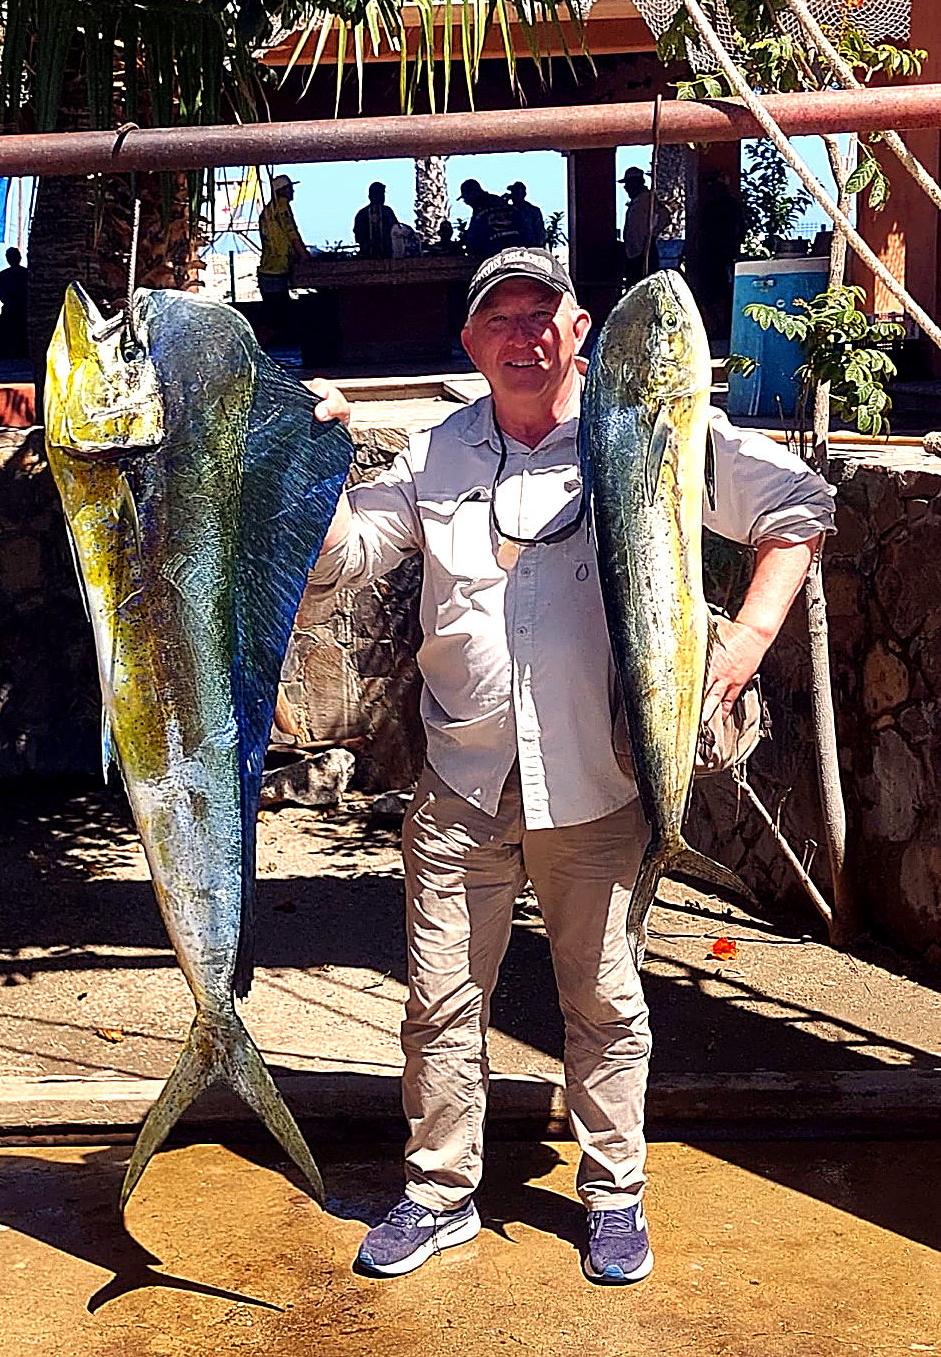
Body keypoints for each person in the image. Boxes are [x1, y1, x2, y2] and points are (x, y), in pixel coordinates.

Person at [305, 245, 833, 1286]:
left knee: (601, 1003)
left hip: (597, 782)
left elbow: (799, 507)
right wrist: (310, 463)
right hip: (461, 780)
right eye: (496, 317)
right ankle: (438, 1194)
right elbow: (340, 559)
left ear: (579, 330)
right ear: (468, 342)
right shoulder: (433, 451)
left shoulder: (649, 429)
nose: (520, 334)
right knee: (441, 1002)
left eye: (540, 313)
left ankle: (613, 1196)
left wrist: (746, 643)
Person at [686, 171, 746, 346]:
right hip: (710, 257)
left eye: (713, 184)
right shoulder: (711, 206)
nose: (710, 188)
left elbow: (739, 229)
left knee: (722, 293)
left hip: (722, 256)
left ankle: (724, 327)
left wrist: (729, 247)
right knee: (710, 293)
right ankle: (718, 327)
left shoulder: (727, 206)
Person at [257, 173, 309, 338]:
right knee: (277, 315)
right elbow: (291, 233)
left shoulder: (268, 210)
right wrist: (305, 256)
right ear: (282, 190)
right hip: (275, 269)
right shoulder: (281, 207)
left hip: (269, 267)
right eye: (290, 188)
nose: (293, 191)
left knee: (274, 311)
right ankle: (263, 343)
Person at [621, 166, 671, 286]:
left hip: (643, 252)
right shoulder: (638, 202)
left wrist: (651, 235)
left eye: (628, 184)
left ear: (636, 183)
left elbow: (665, 216)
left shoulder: (648, 199)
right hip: (634, 252)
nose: (626, 188)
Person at [458, 178, 523, 263]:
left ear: (473, 193)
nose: (466, 202)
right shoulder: (499, 201)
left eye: (466, 198)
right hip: (517, 245)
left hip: (496, 249)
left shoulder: (481, 209)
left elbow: (474, 236)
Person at [355, 182, 400, 259]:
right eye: (377, 194)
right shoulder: (363, 214)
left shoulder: (387, 212)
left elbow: (396, 230)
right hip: (368, 255)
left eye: (381, 194)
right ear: (370, 196)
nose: (380, 197)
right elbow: (358, 235)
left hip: (388, 254)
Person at [0, 246, 29, 358]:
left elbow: (3, 294)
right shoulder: (25, 273)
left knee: (12, 333)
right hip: (19, 307)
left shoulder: (5, 274)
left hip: (14, 307)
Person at [507, 181, 547, 249]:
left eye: (517, 193)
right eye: (513, 194)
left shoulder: (533, 211)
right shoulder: (508, 212)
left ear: (523, 194)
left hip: (531, 247)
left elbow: (540, 233)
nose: (515, 196)